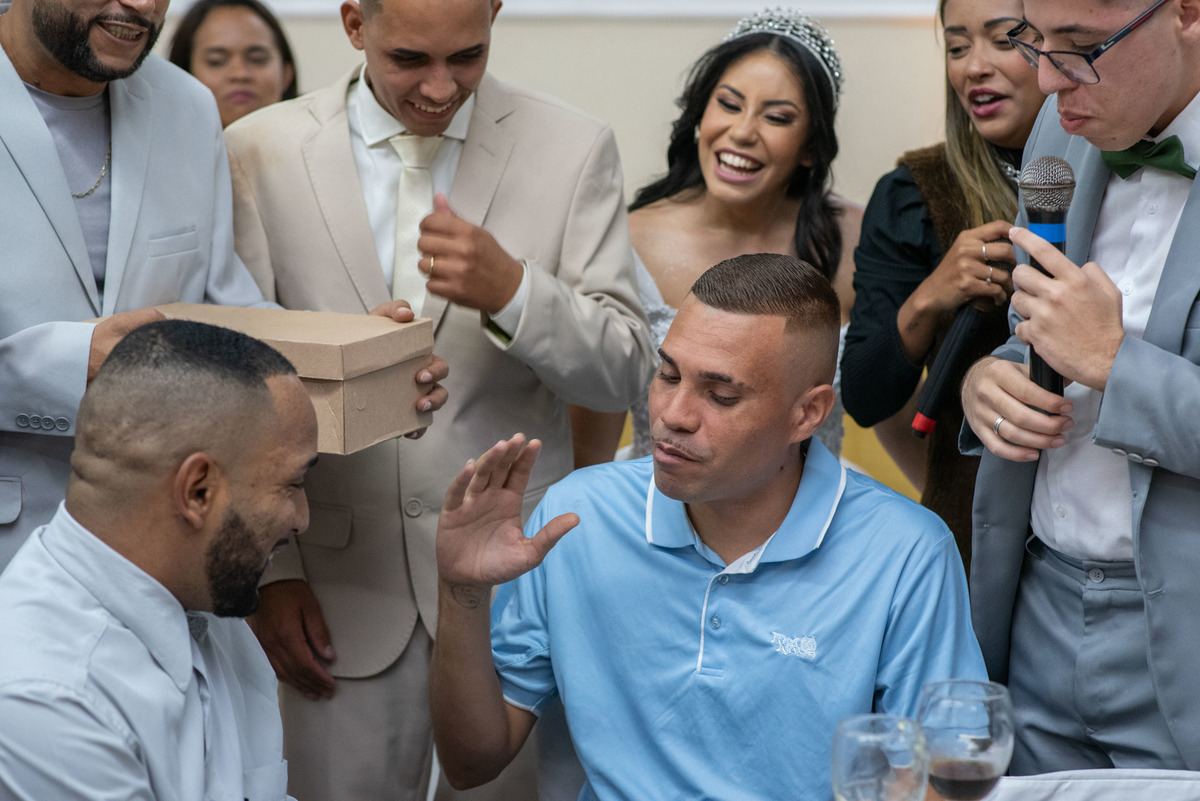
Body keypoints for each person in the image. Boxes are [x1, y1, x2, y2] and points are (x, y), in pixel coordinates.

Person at [221, 0, 654, 798]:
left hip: (511, 591)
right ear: (354, 24)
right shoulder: (258, 150)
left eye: (469, 55)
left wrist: (515, 293)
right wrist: (268, 576)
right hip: (331, 585)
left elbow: (627, 369)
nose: (440, 85)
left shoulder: (572, 146)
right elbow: (232, 374)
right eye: (411, 59)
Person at [429, 254, 986, 801]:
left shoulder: (906, 550)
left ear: (808, 414)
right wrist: (462, 590)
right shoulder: (577, 516)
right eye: (667, 374)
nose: (673, 414)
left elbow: (943, 781)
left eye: (721, 395)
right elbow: (470, 763)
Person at [960, 0, 1200, 774]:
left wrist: (1115, 364)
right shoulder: (1062, 131)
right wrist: (987, 379)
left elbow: (1095, 349)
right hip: (1037, 603)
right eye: (1035, 40)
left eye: (1082, 47)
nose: (1045, 80)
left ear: (1188, 14)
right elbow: (1035, 329)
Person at [0, 0, 270, 573]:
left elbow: (224, 303)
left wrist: (356, 353)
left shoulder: (188, 106)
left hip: (160, 552)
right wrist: (68, 366)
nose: (143, 6)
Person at [0, 320, 318, 800]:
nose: (302, 518)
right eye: (293, 484)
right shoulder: (50, 701)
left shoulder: (203, 594)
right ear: (198, 492)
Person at [603, 8, 861, 461]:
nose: (742, 132)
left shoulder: (856, 240)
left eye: (777, 117)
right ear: (700, 114)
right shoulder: (625, 239)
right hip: (657, 504)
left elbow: (896, 405)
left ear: (811, 147)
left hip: (817, 513)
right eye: (728, 103)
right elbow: (591, 416)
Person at [841, 0, 1044, 569]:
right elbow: (863, 395)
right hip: (972, 530)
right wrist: (932, 295)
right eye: (957, 48)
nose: (973, 67)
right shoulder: (913, 193)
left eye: (1004, 40)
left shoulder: (1129, 176)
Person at [167, 0, 298, 128]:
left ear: (286, 74)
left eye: (257, 59)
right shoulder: (159, 145)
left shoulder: (316, 147)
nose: (240, 74)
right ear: (184, 73)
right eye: (216, 62)